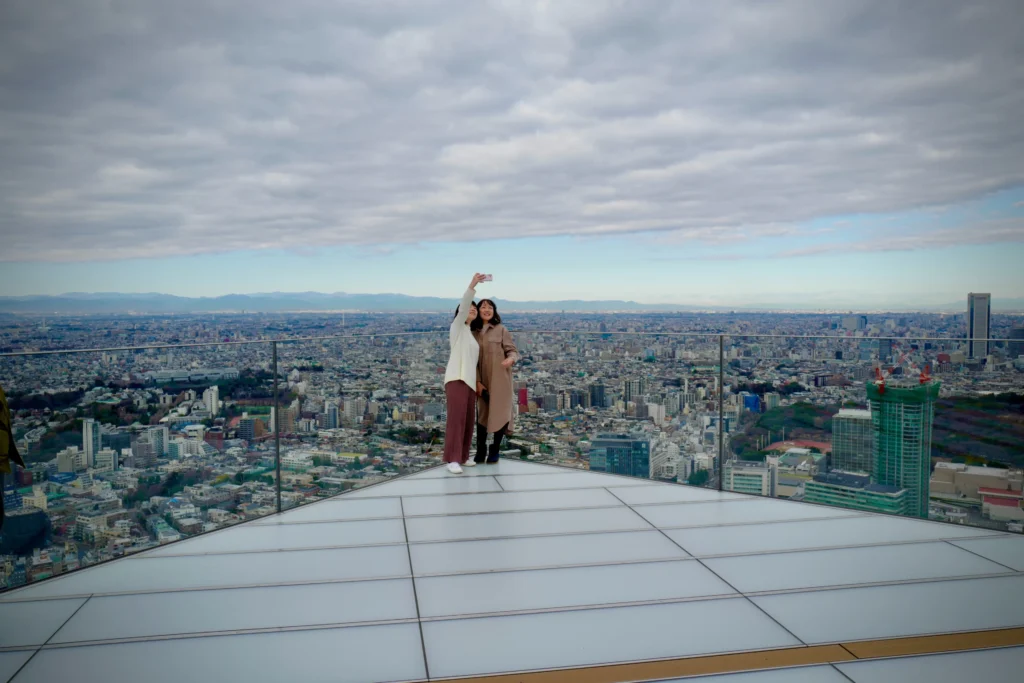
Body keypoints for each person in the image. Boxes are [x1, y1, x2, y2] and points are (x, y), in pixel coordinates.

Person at [443, 273, 487, 474]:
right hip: (457, 379)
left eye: (475, 309)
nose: (472, 310)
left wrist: (476, 381)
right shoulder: (458, 328)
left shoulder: (470, 332)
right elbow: (463, 308)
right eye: (470, 307)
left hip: (468, 381)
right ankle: (452, 458)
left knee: (468, 419)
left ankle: (462, 455)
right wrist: (473, 285)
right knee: (456, 419)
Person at [472, 298, 518, 463]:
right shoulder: (472, 332)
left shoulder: (501, 330)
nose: (487, 309)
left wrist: (511, 360)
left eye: (490, 307)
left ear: (494, 311)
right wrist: (477, 381)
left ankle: (495, 450)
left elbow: (512, 350)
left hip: (500, 380)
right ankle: (481, 449)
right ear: (477, 311)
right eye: (483, 306)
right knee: (482, 416)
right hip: (481, 380)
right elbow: (470, 359)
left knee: (500, 415)